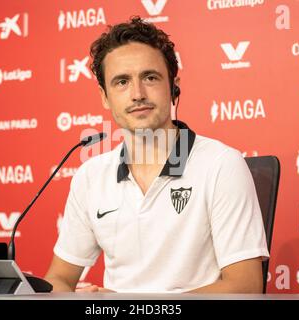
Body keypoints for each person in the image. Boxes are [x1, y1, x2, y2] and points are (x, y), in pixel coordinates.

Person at [44, 16, 269, 293]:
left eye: (150, 78)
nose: (137, 94)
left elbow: (245, 287)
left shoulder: (221, 165)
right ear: (104, 96)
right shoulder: (90, 176)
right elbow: (59, 278)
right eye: (122, 82)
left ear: (173, 87)